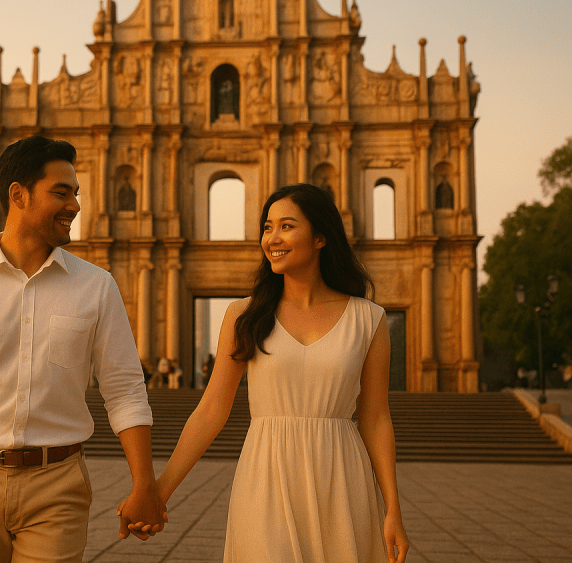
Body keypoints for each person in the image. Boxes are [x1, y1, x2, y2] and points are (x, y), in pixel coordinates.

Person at [0, 136, 166, 563]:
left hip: (58, 482)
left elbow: (125, 391)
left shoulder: (96, 287)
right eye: (61, 192)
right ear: (18, 195)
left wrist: (144, 485)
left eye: (76, 193)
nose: (76, 205)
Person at [124, 183, 409, 562]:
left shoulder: (368, 318)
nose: (272, 238)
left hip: (343, 478)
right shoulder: (244, 316)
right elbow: (211, 412)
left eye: (287, 226)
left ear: (321, 236)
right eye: (267, 227)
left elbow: (375, 419)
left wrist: (392, 508)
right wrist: (157, 492)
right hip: (266, 477)